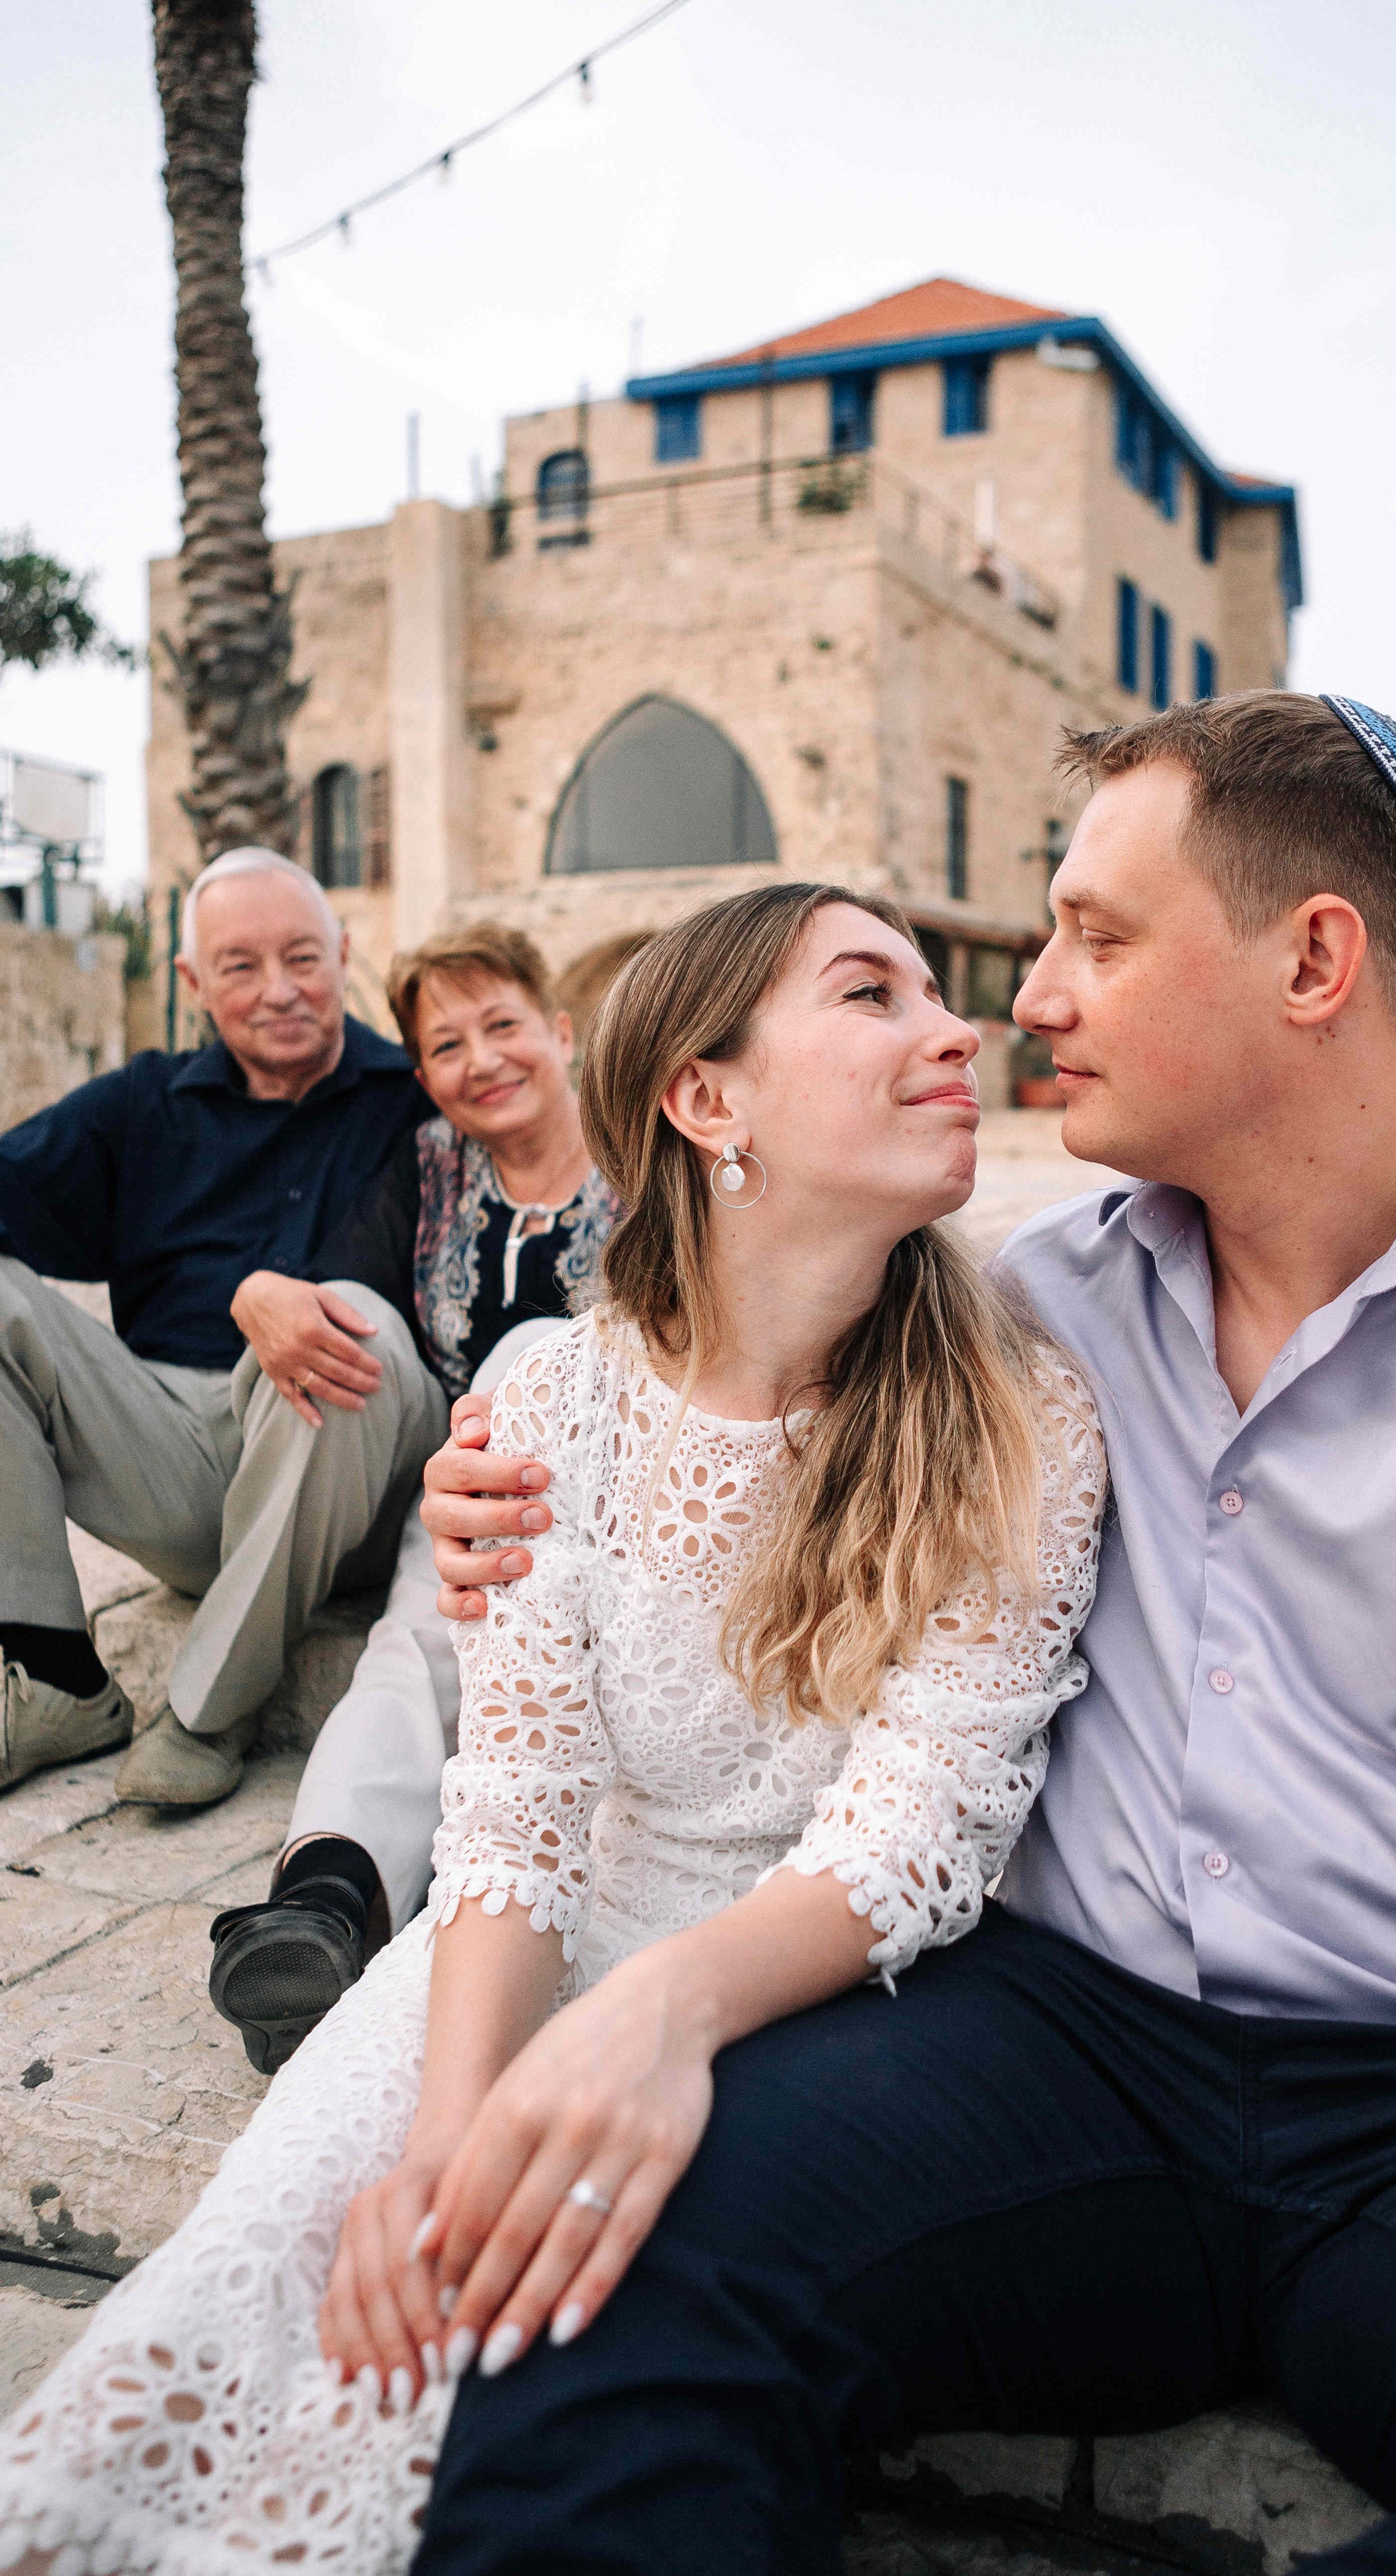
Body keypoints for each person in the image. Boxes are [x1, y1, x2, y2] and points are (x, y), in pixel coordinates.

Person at [411, 693, 1396, 2576]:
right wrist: (487, 1497)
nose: (1029, 1000)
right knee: (601, 2260)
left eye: (1099, 938)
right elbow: (702, 1423)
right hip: (1058, 2048)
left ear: (1315, 963)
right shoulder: (1026, 1303)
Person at [0, 882, 1104, 2570]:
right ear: (705, 1100)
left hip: (794, 1992)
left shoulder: (1018, 1405)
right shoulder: (549, 1395)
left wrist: (641, 2034)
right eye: (870, 994)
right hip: (521, 1935)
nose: (963, 1028)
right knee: (257, 2290)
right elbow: (511, 1809)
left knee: (472, 2377)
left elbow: (924, 1822)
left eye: (931, 995)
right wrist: (445, 2131)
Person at [206, 922, 625, 2076]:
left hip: (619, 1499)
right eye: (446, 1045)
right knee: (407, 1642)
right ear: (425, 1073)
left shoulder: (650, 1154)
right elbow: (349, 1297)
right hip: (469, 1505)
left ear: (560, 1028)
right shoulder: (432, 1164)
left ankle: (369, 1886)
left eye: (502, 1026)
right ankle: (325, 1897)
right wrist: (260, 1291)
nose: (481, 1060)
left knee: (533, 1351)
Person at [0, 848, 444, 1809]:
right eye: (240, 967)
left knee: (352, 1321)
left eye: (302, 958)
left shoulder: (420, 1098)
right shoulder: (142, 1102)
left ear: (344, 952)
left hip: (347, 1478)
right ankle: (51, 1679)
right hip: (167, 1451)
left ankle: (208, 1711)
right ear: (194, 981)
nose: (278, 991)